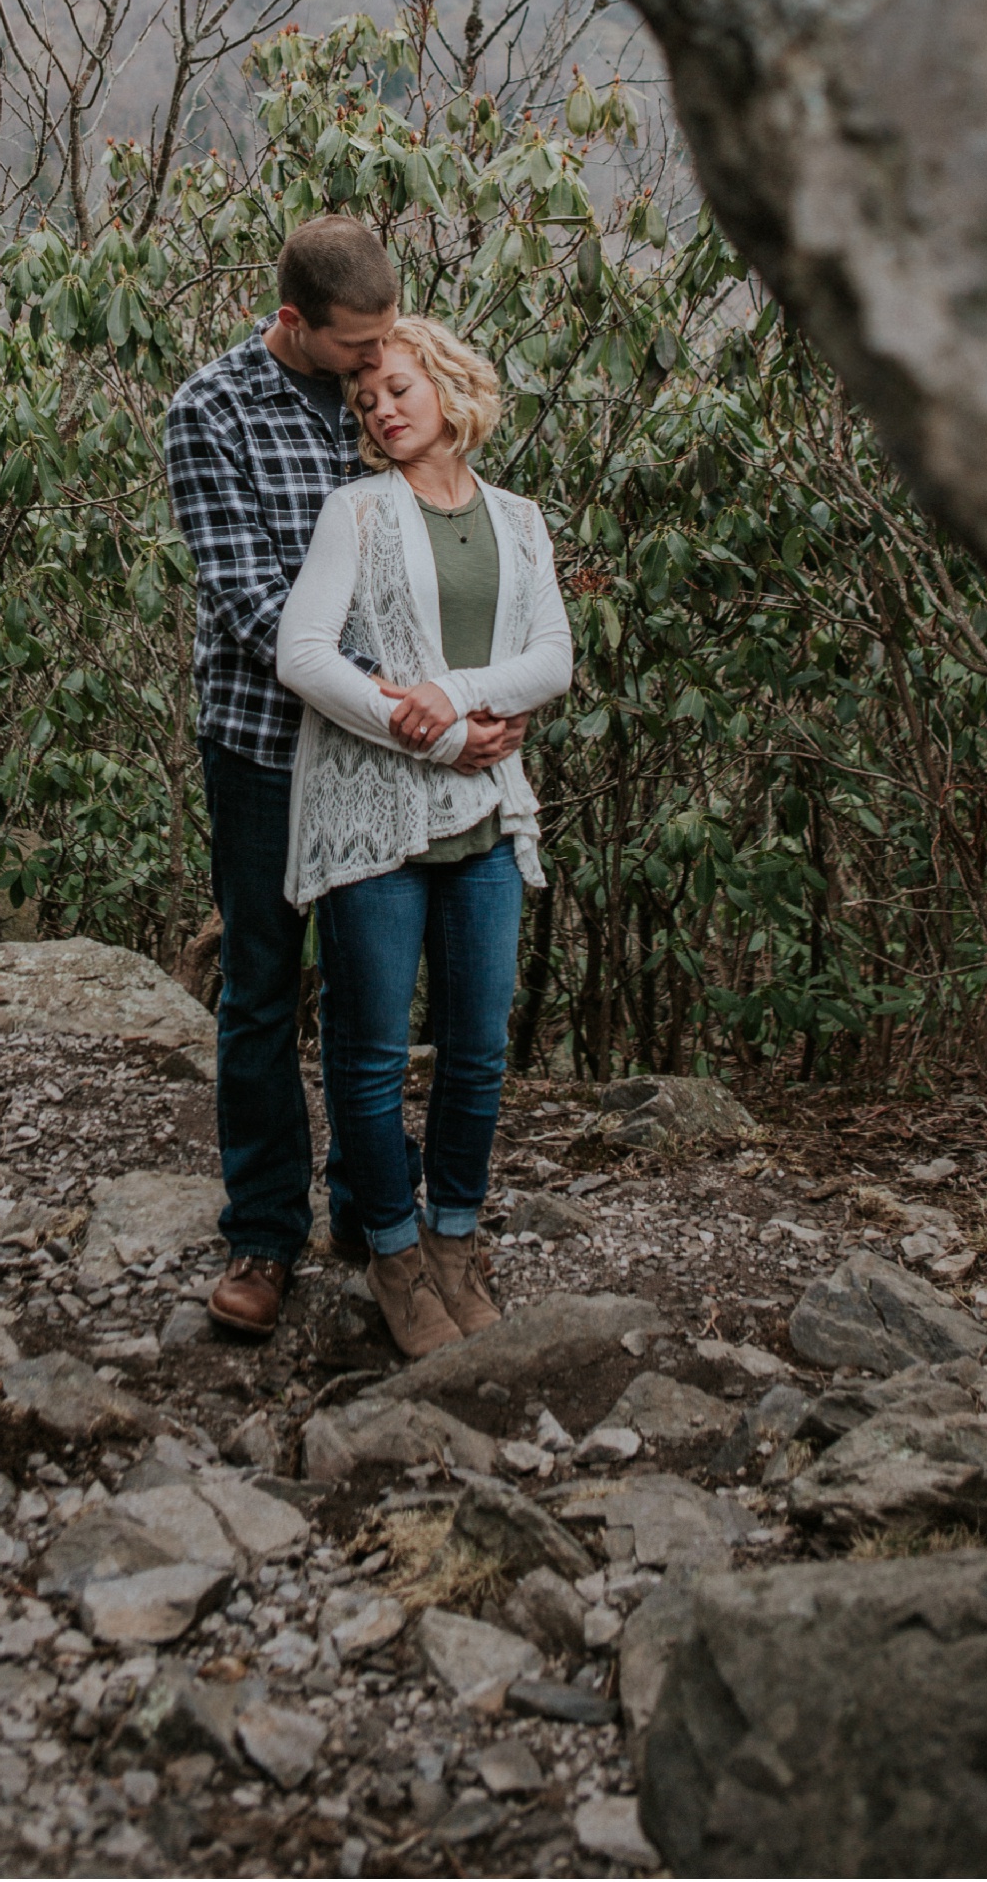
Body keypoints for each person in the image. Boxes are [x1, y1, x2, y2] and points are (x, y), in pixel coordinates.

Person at [165, 221, 532, 1341]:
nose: (376, 368)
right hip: (269, 748)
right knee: (265, 991)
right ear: (294, 325)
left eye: (387, 346)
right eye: (357, 346)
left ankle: (373, 1213)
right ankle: (263, 1233)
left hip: (405, 765)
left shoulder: (377, 391)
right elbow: (248, 605)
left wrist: (471, 693)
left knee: (385, 997)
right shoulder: (210, 413)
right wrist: (420, 710)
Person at [275, 317, 571, 1358]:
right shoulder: (354, 512)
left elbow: (548, 661)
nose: (381, 410)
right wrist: (440, 735)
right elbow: (302, 656)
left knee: (477, 1052)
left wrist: (452, 696)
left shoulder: (520, 520)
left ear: (449, 388)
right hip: (372, 821)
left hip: (486, 819)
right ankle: (392, 1256)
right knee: (365, 1058)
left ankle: (454, 1240)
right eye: (365, 402)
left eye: (398, 388)